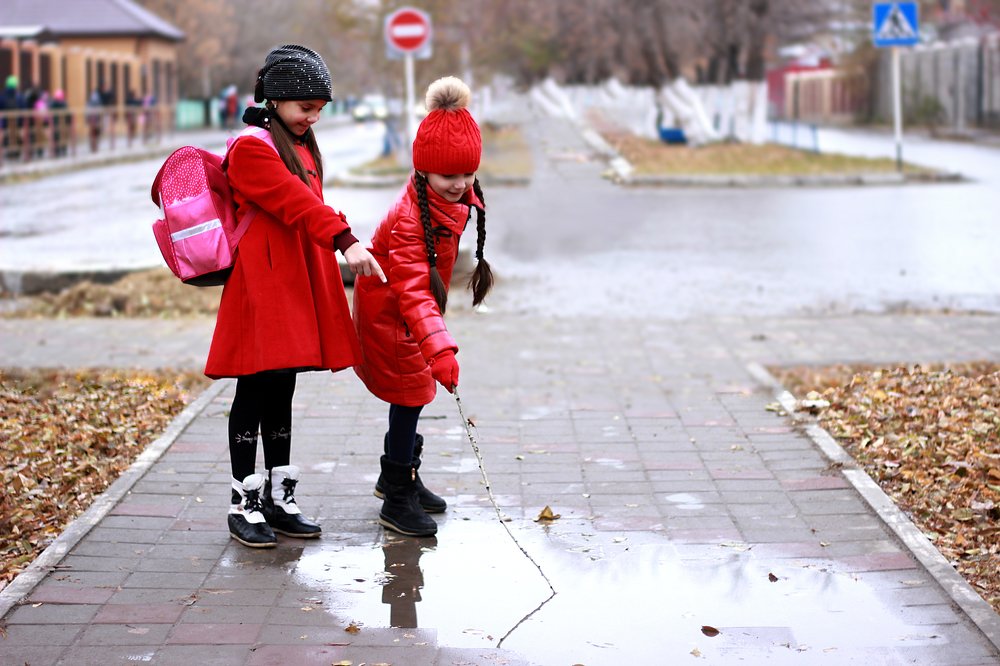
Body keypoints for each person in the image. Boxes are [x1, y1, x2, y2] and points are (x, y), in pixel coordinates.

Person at [205, 44, 385, 548]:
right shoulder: (252, 148)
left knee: (282, 387)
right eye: (306, 107)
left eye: (319, 109)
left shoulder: (301, 144)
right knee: (254, 387)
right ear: (277, 99)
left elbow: (308, 205)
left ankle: (280, 498)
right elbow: (296, 203)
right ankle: (243, 502)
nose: (313, 116)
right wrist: (345, 240)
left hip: (295, 277)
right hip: (263, 284)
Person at [352, 76, 493, 537]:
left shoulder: (447, 199)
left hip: (411, 311)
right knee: (409, 395)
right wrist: (440, 348)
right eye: (448, 176)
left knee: (409, 397)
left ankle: (400, 477)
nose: (460, 184)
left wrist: (434, 336)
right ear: (423, 171)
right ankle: (396, 497)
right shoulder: (412, 220)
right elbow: (412, 288)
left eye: (467, 174)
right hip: (391, 313)